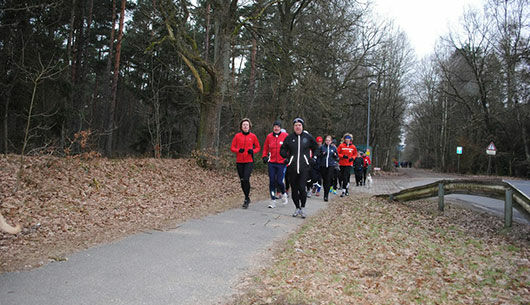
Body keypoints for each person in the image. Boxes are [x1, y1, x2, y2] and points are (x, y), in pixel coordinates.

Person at [280, 118, 318, 218]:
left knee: (302, 188)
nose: (297, 127)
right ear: (293, 127)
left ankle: (303, 207)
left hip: (304, 167)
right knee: (294, 189)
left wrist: (314, 157)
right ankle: (297, 208)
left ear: (302, 126)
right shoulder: (289, 137)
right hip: (292, 167)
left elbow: (316, 148)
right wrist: (286, 157)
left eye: (299, 125)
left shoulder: (308, 137)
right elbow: (283, 149)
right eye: (296, 125)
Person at [230, 118, 260, 209]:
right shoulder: (237, 136)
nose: (245, 126)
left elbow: (258, 147)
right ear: (241, 127)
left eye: (247, 125)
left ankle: (246, 199)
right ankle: (247, 196)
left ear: (249, 126)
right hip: (239, 161)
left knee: (246, 178)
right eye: (244, 125)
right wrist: (238, 150)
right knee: (242, 180)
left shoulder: (253, 136)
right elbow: (232, 147)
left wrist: (253, 151)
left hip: (249, 161)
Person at [262, 120, 289, 208]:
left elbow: (290, 148)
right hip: (272, 162)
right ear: (273, 127)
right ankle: (273, 200)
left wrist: (288, 158)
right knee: (272, 181)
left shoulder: (285, 136)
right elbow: (265, 147)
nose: (276, 128)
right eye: (275, 126)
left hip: (282, 163)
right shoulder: (269, 136)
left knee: (280, 181)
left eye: (278, 126)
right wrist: (264, 156)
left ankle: (284, 193)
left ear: (280, 128)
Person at [318, 135, 338, 202]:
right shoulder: (322, 147)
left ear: (331, 141)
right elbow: (319, 155)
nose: (328, 141)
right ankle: (325, 191)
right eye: (326, 140)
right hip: (323, 165)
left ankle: (326, 195)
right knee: (325, 180)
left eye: (329, 140)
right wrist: (322, 154)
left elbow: (337, 157)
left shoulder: (333, 148)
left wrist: (335, 156)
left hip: (331, 165)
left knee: (328, 179)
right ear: (325, 141)